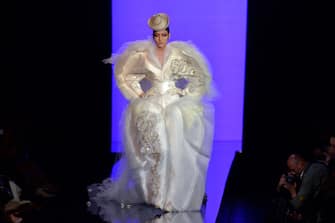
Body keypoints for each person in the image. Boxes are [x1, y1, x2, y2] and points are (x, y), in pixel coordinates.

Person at [88, 13, 214, 212]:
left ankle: (178, 194)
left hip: (174, 105)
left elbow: (200, 76)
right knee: (158, 150)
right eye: (157, 35)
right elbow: (123, 74)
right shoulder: (143, 56)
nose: (160, 39)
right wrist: (138, 94)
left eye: (164, 35)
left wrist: (186, 93)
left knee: (177, 150)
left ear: (169, 35)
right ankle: (157, 195)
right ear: (153, 36)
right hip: (152, 105)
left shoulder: (179, 54)